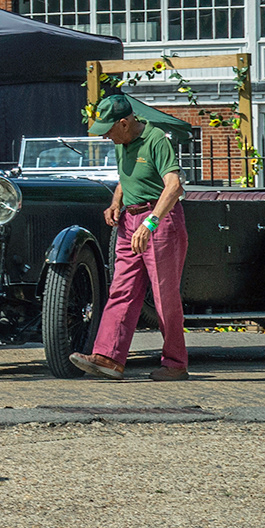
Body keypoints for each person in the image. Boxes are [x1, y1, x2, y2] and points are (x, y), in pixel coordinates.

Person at [71, 94, 189, 382]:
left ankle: (175, 363)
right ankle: (108, 358)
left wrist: (149, 223)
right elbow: (127, 178)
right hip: (130, 221)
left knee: (164, 296)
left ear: (125, 123)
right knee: (121, 289)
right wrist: (115, 202)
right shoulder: (122, 142)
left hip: (159, 221)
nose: (105, 137)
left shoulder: (156, 139)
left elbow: (174, 186)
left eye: (109, 130)